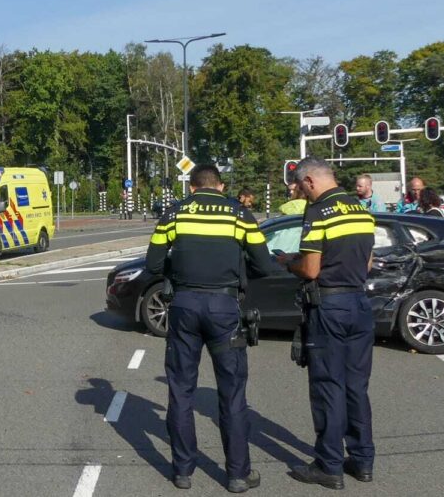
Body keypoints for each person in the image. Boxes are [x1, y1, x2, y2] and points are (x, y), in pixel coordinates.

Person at [146, 164, 277, 493]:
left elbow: (152, 264)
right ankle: (237, 474)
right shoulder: (239, 214)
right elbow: (264, 265)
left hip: (184, 306)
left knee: (181, 390)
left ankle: (182, 471)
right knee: (232, 393)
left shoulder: (175, 214)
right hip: (223, 308)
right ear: (219, 186)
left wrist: (179, 270)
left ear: (192, 188)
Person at [280, 157, 377, 489]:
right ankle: (362, 461)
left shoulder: (318, 211)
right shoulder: (361, 210)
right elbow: (368, 261)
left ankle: (329, 465)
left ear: (309, 181)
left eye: (299, 186)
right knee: (356, 386)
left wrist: (287, 262)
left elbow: (310, 269)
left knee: (327, 386)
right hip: (360, 304)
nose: (300, 193)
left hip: (329, 306)